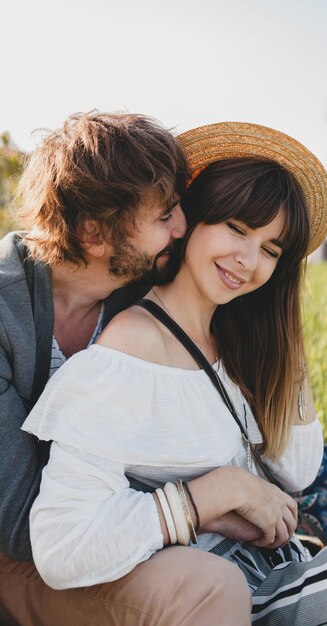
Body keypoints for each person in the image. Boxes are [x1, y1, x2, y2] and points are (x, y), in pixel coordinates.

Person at [22, 122, 327, 625]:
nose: (249, 261)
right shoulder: (131, 351)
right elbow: (64, 545)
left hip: (284, 571)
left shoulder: (232, 335)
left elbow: (298, 469)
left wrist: (287, 343)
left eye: (272, 251)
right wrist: (215, 494)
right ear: (192, 220)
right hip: (230, 598)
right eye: (236, 228)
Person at [0, 113, 251, 626]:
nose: (181, 228)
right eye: (164, 217)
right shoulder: (5, 316)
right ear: (94, 233)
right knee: (206, 589)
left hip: (96, 541)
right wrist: (208, 499)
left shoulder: (137, 296)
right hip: (21, 556)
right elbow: (24, 525)